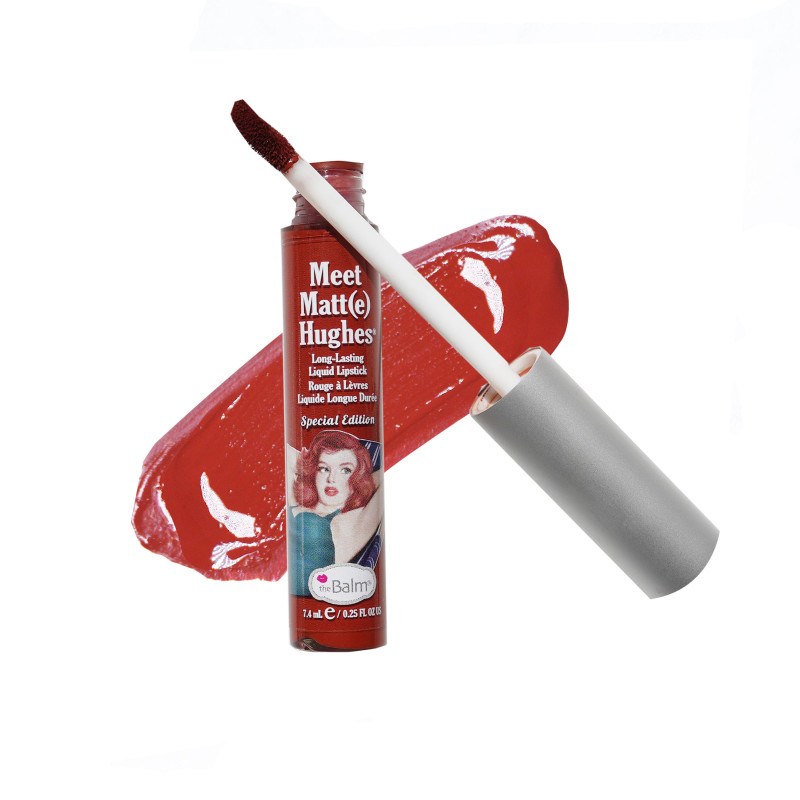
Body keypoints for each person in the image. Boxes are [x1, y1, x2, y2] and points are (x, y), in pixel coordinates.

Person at [287, 430, 382, 596]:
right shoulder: (295, 502)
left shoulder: (346, 522)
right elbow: (285, 449)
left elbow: (380, 475)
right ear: (313, 471)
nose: (332, 478)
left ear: (358, 477)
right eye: (324, 468)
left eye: (345, 470)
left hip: (314, 603)